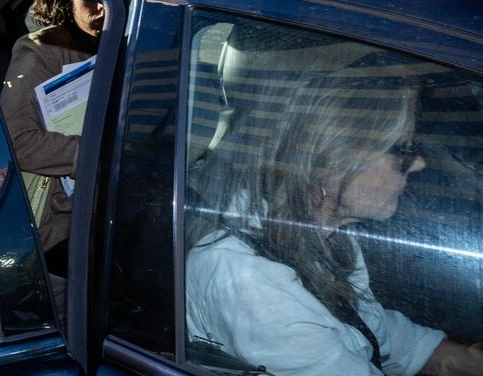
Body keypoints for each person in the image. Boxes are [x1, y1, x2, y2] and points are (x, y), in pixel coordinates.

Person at [186, 79, 483, 376]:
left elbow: (372, 330)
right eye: (404, 151)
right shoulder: (253, 284)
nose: (418, 163)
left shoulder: (321, 233)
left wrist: (459, 359)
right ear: (334, 160)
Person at [0, 0, 103, 276]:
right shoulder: (43, 51)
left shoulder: (134, 39)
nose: (102, 9)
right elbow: (16, 139)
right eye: (92, 1)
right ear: (68, 0)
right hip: (62, 226)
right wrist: (97, 155)